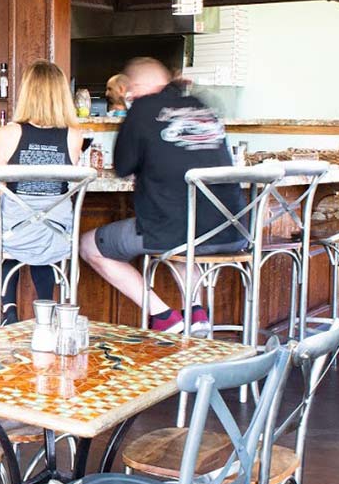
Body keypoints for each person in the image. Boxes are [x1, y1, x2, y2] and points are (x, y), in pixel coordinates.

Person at [79, 58, 245, 334]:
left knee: (88, 246)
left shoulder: (143, 109)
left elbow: (122, 166)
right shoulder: (201, 106)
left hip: (176, 230)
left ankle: (163, 316)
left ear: (136, 87)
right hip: (232, 230)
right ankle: (196, 313)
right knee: (185, 237)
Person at [0, 60, 85, 323]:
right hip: (57, 235)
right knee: (42, 230)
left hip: (14, 234)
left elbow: (1, 190)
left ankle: (8, 310)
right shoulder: (74, 136)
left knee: (4, 232)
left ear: (26, 92)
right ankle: (46, 310)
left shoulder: (7, 133)